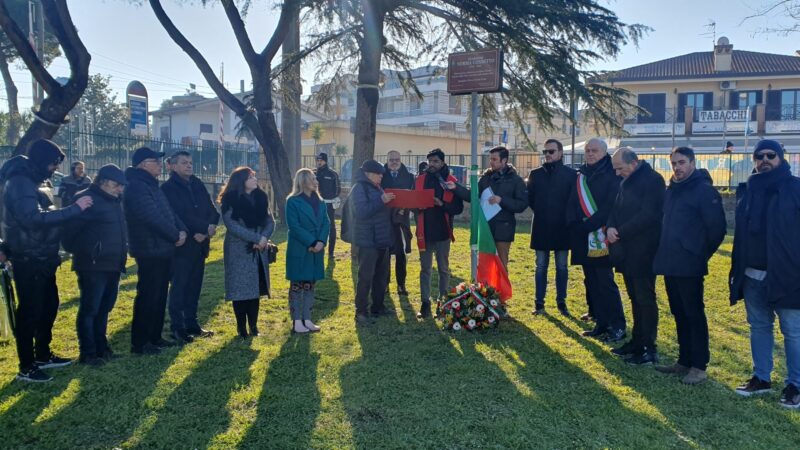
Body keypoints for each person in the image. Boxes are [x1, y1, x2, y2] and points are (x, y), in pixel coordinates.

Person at [1, 139, 93, 382]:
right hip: (28, 257)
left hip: (44, 255)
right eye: (53, 163)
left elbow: (45, 214)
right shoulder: (19, 181)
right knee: (29, 312)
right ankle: (26, 366)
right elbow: (31, 218)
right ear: (42, 160)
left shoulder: (37, 180)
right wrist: (74, 209)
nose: (54, 168)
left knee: (49, 306)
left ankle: (43, 353)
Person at [729, 139, 800, 407]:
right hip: (751, 274)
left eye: (771, 155)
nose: (765, 160)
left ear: (781, 158)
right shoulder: (748, 190)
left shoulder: (795, 189)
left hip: (788, 275)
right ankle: (761, 378)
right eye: (760, 156)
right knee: (759, 326)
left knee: (793, 331)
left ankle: (795, 385)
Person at [653, 147, 726, 385]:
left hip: (690, 264)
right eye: (673, 163)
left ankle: (699, 365)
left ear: (692, 163)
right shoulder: (672, 190)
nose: (677, 167)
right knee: (678, 312)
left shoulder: (704, 191)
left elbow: (717, 229)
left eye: (681, 162)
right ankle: (683, 360)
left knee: (694, 314)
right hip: (669, 262)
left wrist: (698, 254)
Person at [124, 147, 187, 355]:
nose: (160, 164)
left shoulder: (151, 184)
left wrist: (181, 230)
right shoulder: (136, 186)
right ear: (142, 164)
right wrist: (174, 235)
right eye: (155, 161)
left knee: (159, 295)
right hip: (149, 249)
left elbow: (168, 212)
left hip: (162, 249)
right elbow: (151, 217)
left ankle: (155, 337)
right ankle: (141, 343)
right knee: (148, 296)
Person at [62, 165, 128, 367]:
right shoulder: (85, 199)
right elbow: (68, 234)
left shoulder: (115, 201)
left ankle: (102, 347)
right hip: (92, 265)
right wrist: (89, 252)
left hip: (113, 263)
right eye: (117, 185)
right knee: (90, 309)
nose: (120, 190)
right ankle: (88, 352)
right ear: (104, 181)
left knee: (104, 308)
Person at [607, 148, 665, 365]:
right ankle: (636, 341)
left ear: (633, 163)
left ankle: (649, 347)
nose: (617, 173)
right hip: (626, 250)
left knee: (645, 299)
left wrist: (620, 230)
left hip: (644, 250)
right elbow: (616, 208)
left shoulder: (653, 180)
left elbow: (649, 215)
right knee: (634, 298)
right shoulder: (626, 181)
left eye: (619, 168)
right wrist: (611, 226)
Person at [567, 138, 626, 343]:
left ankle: (617, 325)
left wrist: (588, 225)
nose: (590, 154)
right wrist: (574, 224)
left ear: (604, 152)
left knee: (605, 282)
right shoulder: (581, 174)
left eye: (594, 151)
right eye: (587, 150)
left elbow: (611, 206)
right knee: (591, 281)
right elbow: (573, 202)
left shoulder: (612, 174)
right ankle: (601, 323)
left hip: (601, 236)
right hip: (583, 237)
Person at [161, 151, 220, 343]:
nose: (189, 166)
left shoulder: (197, 183)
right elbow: (177, 214)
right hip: (183, 245)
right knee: (180, 287)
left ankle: (192, 323)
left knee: (195, 286)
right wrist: (202, 227)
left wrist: (209, 227)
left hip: (201, 243)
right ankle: (178, 327)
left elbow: (211, 209)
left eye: (190, 162)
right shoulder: (168, 188)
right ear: (173, 166)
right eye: (184, 163)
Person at [219, 166, 274, 338]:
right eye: (251, 177)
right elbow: (232, 225)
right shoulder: (230, 199)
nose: (255, 180)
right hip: (238, 248)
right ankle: (241, 328)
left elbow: (270, 221)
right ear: (241, 181)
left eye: (254, 177)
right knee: (240, 290)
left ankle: (254, 326)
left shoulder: (261, 197)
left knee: (255, 288)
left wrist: (263, 237)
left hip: (259, 248)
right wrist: (256, 239)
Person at [451, 146, 527, 269]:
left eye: (494, 159)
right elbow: (473, 196)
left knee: (501, 266)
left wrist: (502, 200)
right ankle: (486, 288)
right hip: (485, 228)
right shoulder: (486, 178)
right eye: (490, 159)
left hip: (504, 230)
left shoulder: (516, 180)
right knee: (484, 265)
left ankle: (501, 289)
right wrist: (455, 187)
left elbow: (522, 205)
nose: (491, 162)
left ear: (504, 160)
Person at [527, 139, 576, 316]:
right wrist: (542, 212)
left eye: (551, 151)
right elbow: (530, 199)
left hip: (563, 228)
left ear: (561, 153)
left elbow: (573, 200)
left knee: (562, 267)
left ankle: (561, 302)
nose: (547, 155)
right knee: (540, 266)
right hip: (541, 226)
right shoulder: (535, 174)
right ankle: (539, 303)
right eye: (545, 151)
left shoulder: (571, 175)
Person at [415, 148, 463, 318]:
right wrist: (417, 206)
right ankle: (425, 303)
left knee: (443, 269)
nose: (432, 164)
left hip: (443, 232)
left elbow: (458, 208)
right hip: (425, 232)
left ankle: (444, 303)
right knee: (425, 269)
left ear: (442, 162)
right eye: (430, 161)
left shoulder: (451, 181)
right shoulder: (420, 180)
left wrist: (440, 203)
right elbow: (413, 203)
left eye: (435, 161)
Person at [285, 168, 330, 333]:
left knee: (310, 284)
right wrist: (311, 241)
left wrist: (320, 241)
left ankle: (308, 318)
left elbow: (326, 223)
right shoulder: (292, 201)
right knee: (297, 285)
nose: (316, 181)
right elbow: (294, 226)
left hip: (316, 248)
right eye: (312, 178)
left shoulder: (321, 201)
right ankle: (297, 321)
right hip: (301, 247)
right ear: (303, 181)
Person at [351, 160, 395, 323]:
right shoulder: (359, 188)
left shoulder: (377, 188)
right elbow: (361, 212)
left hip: (382, 239)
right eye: (378, 174)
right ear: (368, 174)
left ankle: (378, 306)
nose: (381, 177)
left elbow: (381, 211)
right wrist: (381, 201)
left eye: (382, 174)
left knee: (381, 277)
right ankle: (361, 311)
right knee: (365, 277)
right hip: (368, 240)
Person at [381, 150, 415, 295]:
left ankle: (401, 285)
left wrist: (404, 208)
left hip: (401, 220)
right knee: (385, 254)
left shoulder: (409, 177)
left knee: (401, 254)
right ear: (387, 161)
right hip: (385, 220)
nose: (394, 162)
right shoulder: (381, 176)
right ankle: (385, 284)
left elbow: (412, 196)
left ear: (400, 160)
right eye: (391, 160)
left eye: (396, 159)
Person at [315, 152, 340, 258]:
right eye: (318, 160)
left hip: (329, 204)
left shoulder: (332, 174)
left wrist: (332, 198)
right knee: (316, 226)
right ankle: (317, 248)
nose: (319, 162)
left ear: (325, 161)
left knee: (331, 227)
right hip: (315, 204)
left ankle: (331, 252)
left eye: (321, 160)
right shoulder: (313, 173)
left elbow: (338, 189)